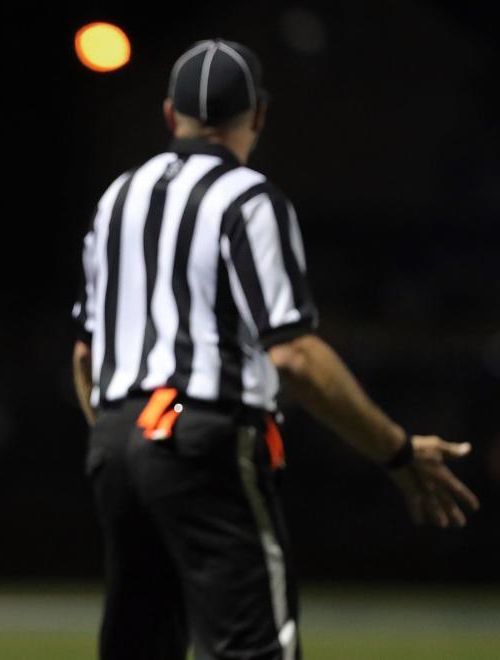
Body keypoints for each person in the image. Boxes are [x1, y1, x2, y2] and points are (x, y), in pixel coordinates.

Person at [71, 39, 480, 660]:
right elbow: (292, 354)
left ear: (167, 114)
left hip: (116, 438)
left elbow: (83, 357)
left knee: (139, 645)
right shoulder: (248, 197)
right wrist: (396, 450)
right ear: (258, 116)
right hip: (200, 434)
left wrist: (119, 444)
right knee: (255, 648)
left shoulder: (115, 199)